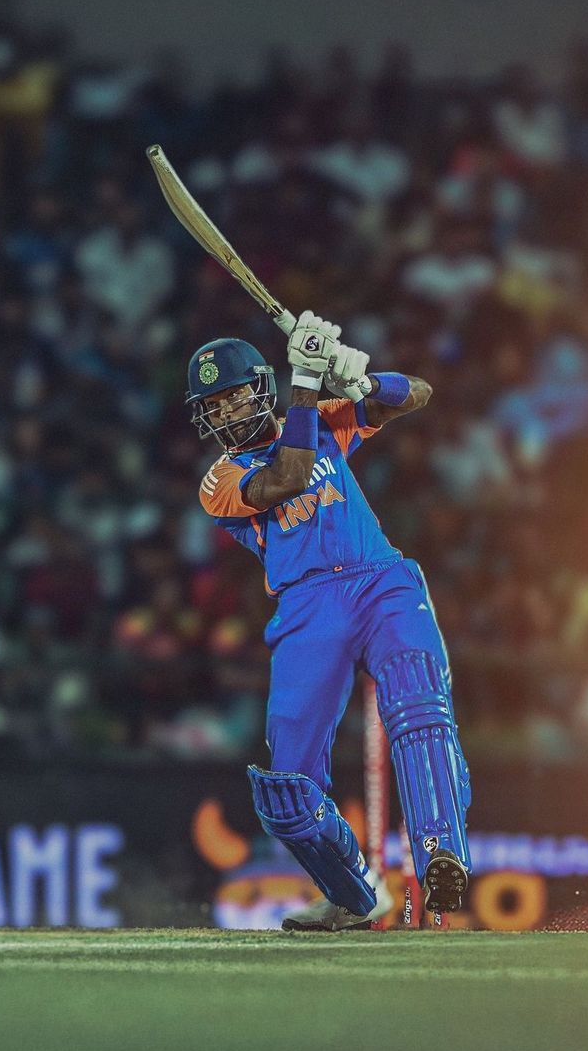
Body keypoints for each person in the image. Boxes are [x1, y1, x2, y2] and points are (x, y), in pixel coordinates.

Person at [190, 311, 471, 931]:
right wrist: (309, 380)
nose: (227, 412)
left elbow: (418, 394)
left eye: (235, 395)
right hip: (308, 603)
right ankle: (352, 894)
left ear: (260, 388)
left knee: (420, 709)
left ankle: (440, 853)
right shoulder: (221, 479)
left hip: (380, 579)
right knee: (287, 785)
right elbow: (287, 477)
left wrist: (362, 382)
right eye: (215, 405)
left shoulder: (320, 422)